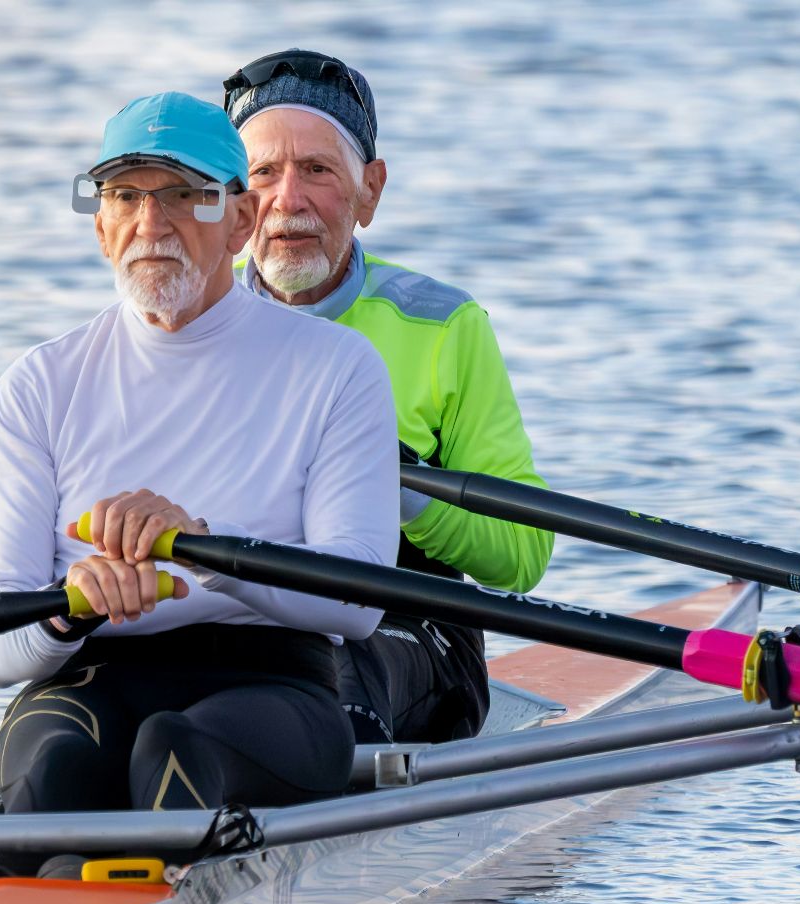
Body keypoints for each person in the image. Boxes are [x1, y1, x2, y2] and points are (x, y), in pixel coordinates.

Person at [0, 91, 398, 856]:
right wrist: (71, 609)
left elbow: (358, 601)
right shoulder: (37, 385)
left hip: (270, 685)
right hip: (88, 677)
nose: (151, 223)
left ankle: (91, 890)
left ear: (240, 220)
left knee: (171, 748)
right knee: (55, 765)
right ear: (100, 226)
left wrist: (201, 545)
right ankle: (6, 893)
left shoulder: (336, 367)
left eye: (183, 195)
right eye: (125, 196)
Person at [223, 49, 555, 746]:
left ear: (369, 191)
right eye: (264, 173)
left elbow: (522, 555)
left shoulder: (443, 325)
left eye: (318, 171)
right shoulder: (187, 323)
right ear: (232, 198)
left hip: (407, 620)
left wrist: (402, 486)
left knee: (340, 663)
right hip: (240, 615)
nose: (288, 200)